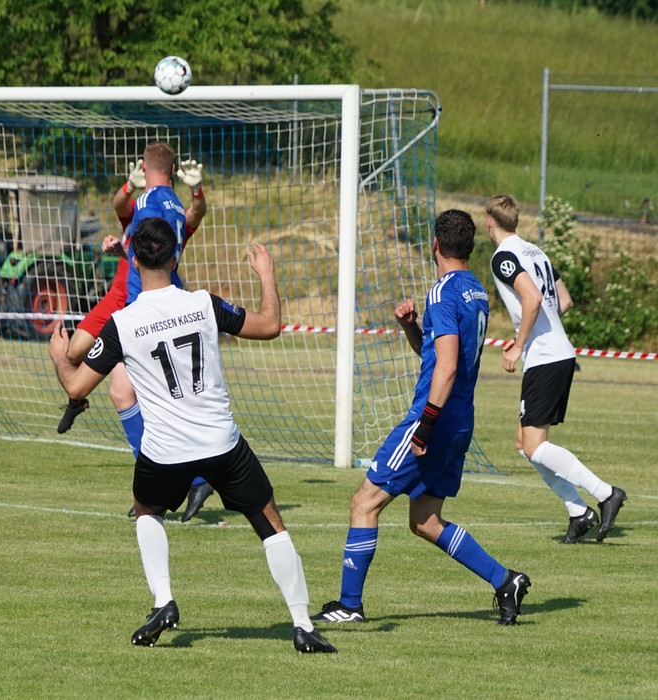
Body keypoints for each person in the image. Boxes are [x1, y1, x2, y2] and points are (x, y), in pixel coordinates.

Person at [49, 217, 337, 653]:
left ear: (133, 260)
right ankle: (302, 625)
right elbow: (269, 325)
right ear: (176, 258)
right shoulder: (203, 304)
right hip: (221, 444)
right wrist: (267, 274)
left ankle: (163, 601)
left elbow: (76, 388)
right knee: (269, 522)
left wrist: (59, 355)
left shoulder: (123, 323)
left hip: (165, 451)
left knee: (147, 510)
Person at [312, 209, 531, 627]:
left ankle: (349, 605)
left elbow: (446, 368)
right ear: (470, 247)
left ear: (435, 245)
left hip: (433, 419)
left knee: (364, 502)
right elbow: (442, 355)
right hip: (460, 420)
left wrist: (424, 427)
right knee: (425, 521)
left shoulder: (442, 293)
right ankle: (505, 580)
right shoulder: (476, 291)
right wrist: (412, 329)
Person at [57, 145, 215, 522]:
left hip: (139, 306)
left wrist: (126, 246)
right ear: (173, 171)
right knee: (121, 385)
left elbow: (143, 234)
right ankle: (172, 483)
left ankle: (172, 483)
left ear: (145, 167)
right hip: (148, 301)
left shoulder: (149, 203)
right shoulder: (174, 207)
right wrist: (195, 192)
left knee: (121, 389)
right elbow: (182, 221)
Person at [485, 194, 626, 543]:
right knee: (524, 443)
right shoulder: (536, 251)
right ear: (516, 221)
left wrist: (520, 344)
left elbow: (532, 298)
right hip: (556, 352)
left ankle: (606, 493)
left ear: (489, 223)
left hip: (546, 357)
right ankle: (579, 512)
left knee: (535, 446)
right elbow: (564, 300)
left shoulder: (503, 256)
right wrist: (532, 331)